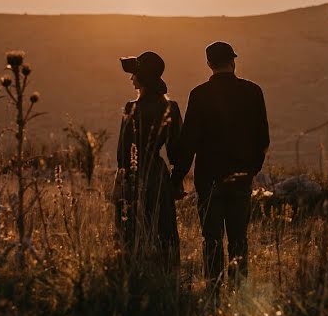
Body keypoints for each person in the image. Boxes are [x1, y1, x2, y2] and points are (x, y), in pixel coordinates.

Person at [172, 41, 269, 292]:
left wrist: (178, 175)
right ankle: (238, 292)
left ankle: (213, 290)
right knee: (239, 239)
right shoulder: (253, 92)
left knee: (212, 239)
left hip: (209, 179)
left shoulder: (199, 94)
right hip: (241, 179)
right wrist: (252, 169)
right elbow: (263, 138)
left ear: (209, 64)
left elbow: (189, 140)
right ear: (233, 61)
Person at [114, 51, 182, 269]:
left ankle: (135, 270)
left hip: (134, 175)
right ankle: (167, 271)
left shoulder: (131, 107)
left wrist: (120, 180)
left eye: (134, 74)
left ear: (141, 77)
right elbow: (176, 150)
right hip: (158, 175)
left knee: (132, 229)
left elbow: (123, 152)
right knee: (163, 228)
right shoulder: (170, 107)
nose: (130, 78)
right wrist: (177, 180)